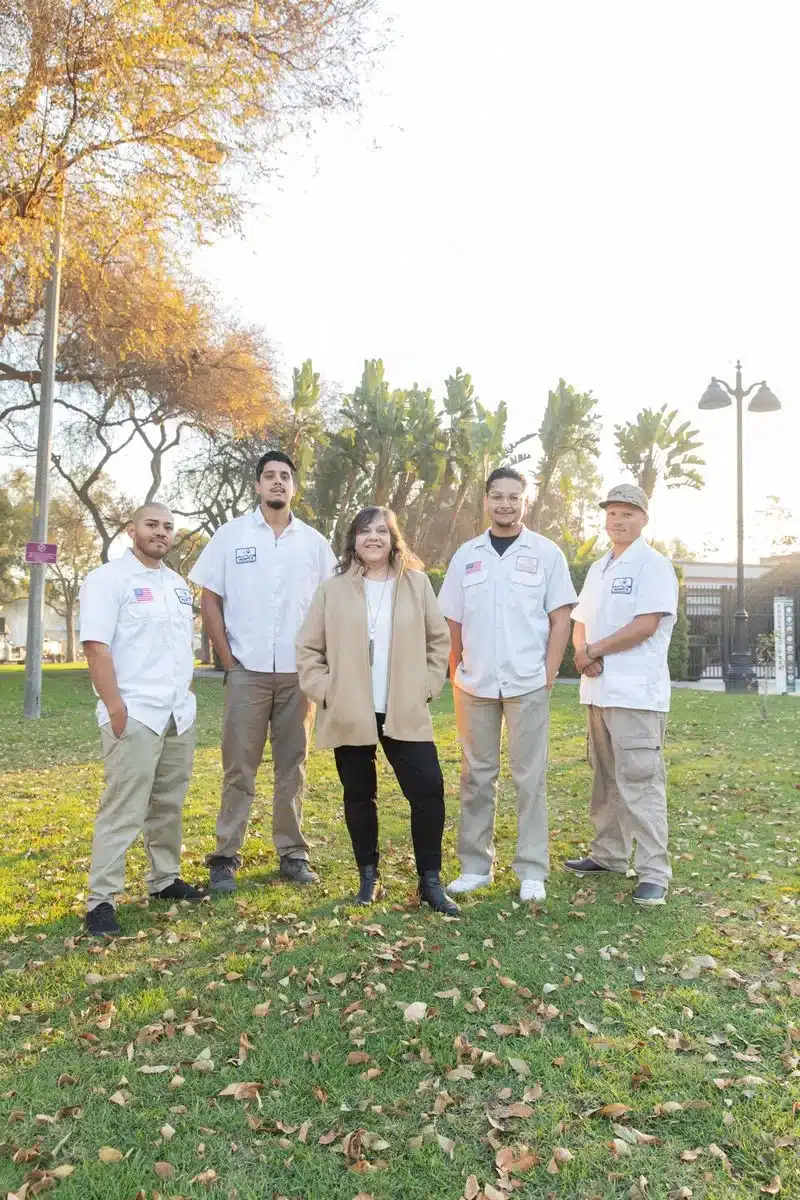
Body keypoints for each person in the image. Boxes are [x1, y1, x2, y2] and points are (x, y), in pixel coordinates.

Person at [295, 506, 458, 915]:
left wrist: (427, 684)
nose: (373, 538)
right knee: (359, 795)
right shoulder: (332, 590)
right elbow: (308, 649)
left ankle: (430, 881)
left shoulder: (417, 585)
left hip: (403, 708)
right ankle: (369, 877)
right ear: (354, 539)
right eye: (365, 531)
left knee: (427, 790)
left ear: (393, 539)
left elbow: (439, 642)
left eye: (382, 531)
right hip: (350, 709)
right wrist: (325, 690)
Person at [189, 451, 336, 893]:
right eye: (269, 476)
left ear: (294, 488)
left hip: (297, 675)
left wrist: (320, 660)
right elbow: (209, 598)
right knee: (239, 767)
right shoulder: (231, 536)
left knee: (293, 764)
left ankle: (292, 853)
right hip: (247, 671)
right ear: (257, 486)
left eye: (284, 477)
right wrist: (227, 660)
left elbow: (333, 603)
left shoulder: (313, 543)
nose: (276, 483)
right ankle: (225, 856)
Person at [438, 468, 577, 902]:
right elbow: (453, 621)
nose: (504, 504)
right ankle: (475, 866)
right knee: (476, 776)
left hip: (527, 683)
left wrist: (550, 672)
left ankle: (532, 869)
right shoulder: (467, 555)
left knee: (529, 778)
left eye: (513, 497)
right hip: (475, 685)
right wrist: (455, 670)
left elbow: (560, 619)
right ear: (485, 501)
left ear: (525, 502)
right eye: (496, 496)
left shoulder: (547, 553)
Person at [78, 502, 204, 937]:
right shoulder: (108, 579)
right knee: (123, 809)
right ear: (132, 530)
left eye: (168, 527)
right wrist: (115, 708)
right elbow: (96, 646)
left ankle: (164, 879)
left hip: (176, 715)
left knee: (168, 803)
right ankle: (101, 900)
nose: (161, 532)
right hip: (133, 714)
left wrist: (184, 698)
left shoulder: (177, 585)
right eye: (152, 525)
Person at [567, 483, 678, 906]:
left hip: (636, 694)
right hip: (597, 690)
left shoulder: (653, 565)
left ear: (644, 518)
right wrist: (581, 651)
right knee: (605, 778)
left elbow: (646, 624)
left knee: (640, 782)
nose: (618, 520)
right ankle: (609, 854)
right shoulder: (599, 567)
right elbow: (580, 618)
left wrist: (593, 650)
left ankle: (654, 871)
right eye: (613, 513)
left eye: (627, 513)